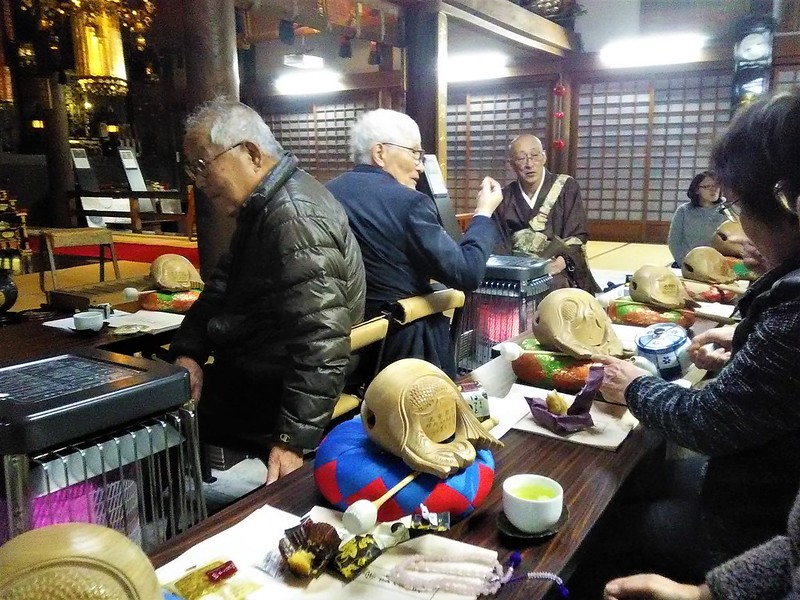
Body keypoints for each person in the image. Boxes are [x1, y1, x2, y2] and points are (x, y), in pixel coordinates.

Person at [591, 89, 800, 594]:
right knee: (643, 483)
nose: (740, 229)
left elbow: (706, 422)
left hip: (752, 525)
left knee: (607, 524)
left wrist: (635, 385)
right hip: (770, 501)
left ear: (788, 201)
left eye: (738, 205)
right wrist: (748, 339)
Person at [170, 97, 365, 484]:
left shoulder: (292, 215)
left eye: (204, 165)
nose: (199, 181)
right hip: (267, 364)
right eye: (193, 169)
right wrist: (189, 350)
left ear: (251, 153)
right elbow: (220, 288)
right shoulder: (267, 205)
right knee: (168, 384)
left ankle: (175, 529)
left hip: (279, 383)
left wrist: (291, 439)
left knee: (156, 411)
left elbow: (321, 338)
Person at [325, 108, 503, 379]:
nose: (420, 165)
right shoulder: (410, 204)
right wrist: (483, 214)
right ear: (380, 153)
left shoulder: (326, 194)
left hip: (341, 347)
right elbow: (466, 272)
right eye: (414, 153)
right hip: (401, 348)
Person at [492, 133, 599, 293]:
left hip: (556, 267)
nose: (529, 164)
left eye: (534, 155)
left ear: (544, 157)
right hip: (517, 270)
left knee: (556, 285)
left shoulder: (566, 187)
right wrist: (511, 271)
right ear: (511, 164)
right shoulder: (504, 197)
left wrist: (560, 263)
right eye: (521, 158)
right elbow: (498, 243)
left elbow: (577, 235)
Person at [667, 171, 730, 265]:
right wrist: (684, 264)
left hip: (720, 264)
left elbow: (734, 242)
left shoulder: (727, 209)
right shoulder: (684, 211)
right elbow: (674, 241)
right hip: (689, 264)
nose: (714, 190)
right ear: (696, 190)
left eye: (716, 185)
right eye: (707, 186)